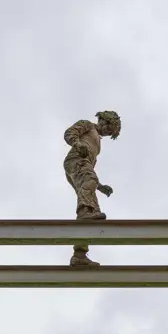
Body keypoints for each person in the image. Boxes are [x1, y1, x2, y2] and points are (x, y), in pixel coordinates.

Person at [63, 110, 121, 267]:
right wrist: (77, 144)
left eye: (110, 133)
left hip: (83, 165)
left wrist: (99, 186)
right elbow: (69, 133)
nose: (107, 133)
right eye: (109, 128)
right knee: (88, 202)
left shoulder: (98, 144)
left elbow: (90, 170)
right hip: (75, 160)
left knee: (91, 209)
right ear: (103, 120)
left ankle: (79, 254)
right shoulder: (88, 125)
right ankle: (85, 213)